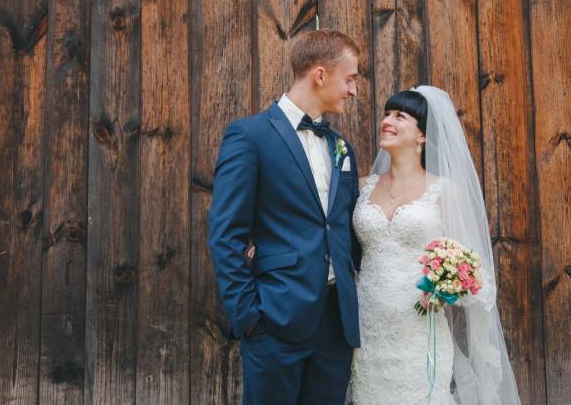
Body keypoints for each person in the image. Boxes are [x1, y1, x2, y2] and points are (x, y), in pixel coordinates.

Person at [208, 30, 363, 405]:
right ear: (321, 75)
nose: (354, 91)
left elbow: (346, 229)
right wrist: (249, 319)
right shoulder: (250, 136)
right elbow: (225, 236)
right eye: (350, 79)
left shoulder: (341, 148)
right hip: (274, 322)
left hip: (335, 327)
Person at [350, 87, 520, 404]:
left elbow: (475, 274)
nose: (387, 121)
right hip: (368, 329)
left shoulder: (445, 192)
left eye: (400, 116)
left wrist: (445, 288)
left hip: (419, 331)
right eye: (386, 114)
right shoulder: (360, 188)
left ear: (422, 136)